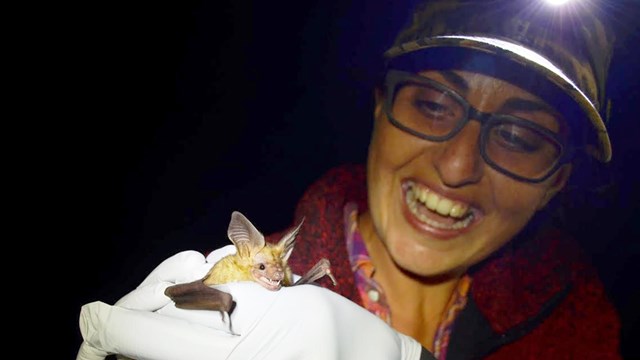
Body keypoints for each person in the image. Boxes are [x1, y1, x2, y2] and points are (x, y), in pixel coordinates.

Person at [77, 0, 624, 359]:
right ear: (378, 109)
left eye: (521, 138)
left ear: (557, 182)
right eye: (432, 103)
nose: (457, 167)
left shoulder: (581, 332)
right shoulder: (255, 273)